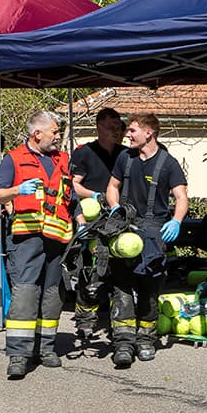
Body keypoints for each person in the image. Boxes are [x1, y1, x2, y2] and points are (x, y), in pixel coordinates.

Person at [0, 111, 73, 380]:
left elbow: (69, 197)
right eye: (54, 132)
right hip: (26, 238)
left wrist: (82, 219)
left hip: (56, 239)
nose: (58, 136)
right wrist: (18, 190)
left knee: (52, 294)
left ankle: (46, 348)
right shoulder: (14, 158)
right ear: (37, 134)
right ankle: (18, 354)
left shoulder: (62, 159)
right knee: (26, 293)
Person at [105, 113, 188, 370]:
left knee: (149, 289)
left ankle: (145, 340)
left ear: (149, 133)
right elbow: (112, 186)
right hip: (125, 228)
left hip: (153, 233)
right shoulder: (124, 158)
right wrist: (115, 207)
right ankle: (123, 343)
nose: (127, 135)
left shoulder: (168, 163)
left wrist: (176, 220)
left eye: (132, 131)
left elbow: (181, 197)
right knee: (121, 286)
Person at [67, 107, 124, 346]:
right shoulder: (85, 153)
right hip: (90, 220)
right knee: (88, 270)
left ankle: (116, 319)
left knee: (116, 269)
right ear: (99, 126)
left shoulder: (124, 154)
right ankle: (85, 320)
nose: (116, 131)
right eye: (111, 127)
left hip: (116, 219)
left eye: (119, 127)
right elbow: (72, 185)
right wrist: (96, 195)